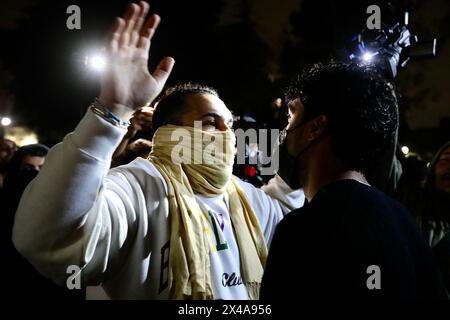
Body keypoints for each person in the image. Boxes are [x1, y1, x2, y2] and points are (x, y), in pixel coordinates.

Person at [12, 2, 303, 300]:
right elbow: (51, 238)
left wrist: (297, 151)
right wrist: (113, 110)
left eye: (229, 123)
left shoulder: (243, 195)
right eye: (210, 123)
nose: (228, 135)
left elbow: (286, 221)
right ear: (170, 133)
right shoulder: (136, 187)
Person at [260, 62, 447, 299]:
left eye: (291, 115)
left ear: (315, 127)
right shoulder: (404, 221)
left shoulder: (302, 230)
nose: (285, 131)